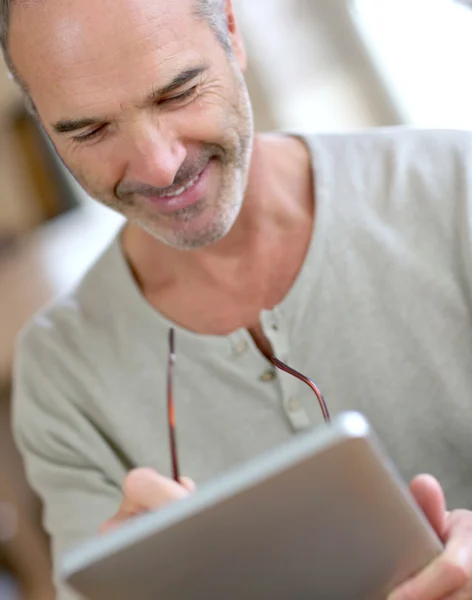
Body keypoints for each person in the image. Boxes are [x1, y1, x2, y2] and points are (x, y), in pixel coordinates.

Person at [2, 0, 472, 597]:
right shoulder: (62, 381)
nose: (159, 164)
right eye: (90, 130)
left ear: (231, 31)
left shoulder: (457, 190)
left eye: (177, 94)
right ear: (43, 122)